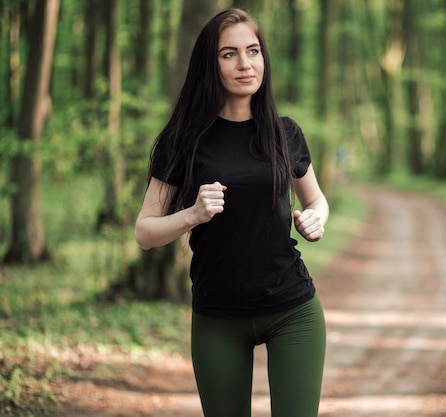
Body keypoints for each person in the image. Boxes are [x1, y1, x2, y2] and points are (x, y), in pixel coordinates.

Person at [134, 8, 328, 417]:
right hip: (217, 317)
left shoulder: (284, 131)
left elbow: (316, 199)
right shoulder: (183, 141)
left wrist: (317, 217)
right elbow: (145, 232)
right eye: (229, 54)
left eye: (253, 51)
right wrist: (192, 214)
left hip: (292, 309)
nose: (245, 64)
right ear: (211, 64)